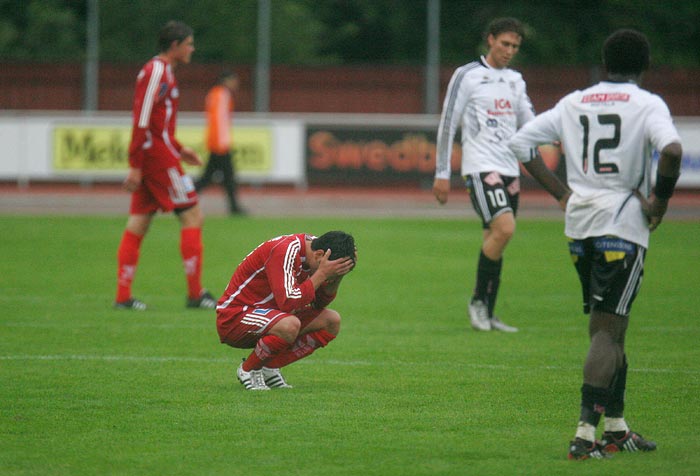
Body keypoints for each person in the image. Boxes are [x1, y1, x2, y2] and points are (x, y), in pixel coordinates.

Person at [508, 29, 683, 460]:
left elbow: (520, 143)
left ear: (604, 64)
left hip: (580, 224)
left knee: (609, 326)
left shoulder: (575, 101)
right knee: (609, 330)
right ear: (644, 66)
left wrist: (562, 193)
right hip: (621, 225)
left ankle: (617, 427)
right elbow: (674, 151)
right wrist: (659, 202)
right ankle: (585, 434)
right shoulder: (647, 103)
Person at [433, 17, 535, 332]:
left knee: (495, 237)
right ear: (490, 40)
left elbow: (528, 119)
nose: (509, 50)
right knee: (504, 229)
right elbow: (448, 122)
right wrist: (442, 172)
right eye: (505, 43)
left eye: (515, 46)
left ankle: (488, 313)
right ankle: (478, 302)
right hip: (480, 166)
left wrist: (551, 132)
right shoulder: (467, 75)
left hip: (509, 168)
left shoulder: (516, 80)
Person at [114, 20, 217, 311]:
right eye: (189, 44)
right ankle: (196, 294)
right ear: (175, 46)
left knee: (139, 222)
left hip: (158, 154)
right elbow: (142, 119)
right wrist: (135, 164)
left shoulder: (163, 72)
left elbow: (159, 124)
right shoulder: (156, 71)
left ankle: (123, 297)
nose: (192, 49)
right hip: (156, 159)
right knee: (193, 215)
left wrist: (181, 149)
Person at [216, 231, 356, 390]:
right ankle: (249, 369)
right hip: (235, 317)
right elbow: (288, 302)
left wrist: (337, 277)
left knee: (331, 321)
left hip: (271, 316)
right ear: (319, 255)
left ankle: (268, 367)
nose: (327, 275)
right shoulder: (285, 250)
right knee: (289, 324)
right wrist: (322, 274)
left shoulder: (319, 251)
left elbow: (319, 303)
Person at [195, 70, 245, 215]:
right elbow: (219, 121)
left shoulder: (215, 93)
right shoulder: (222, 95)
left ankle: (234, 207)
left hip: (216, 142)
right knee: (221, 177)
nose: (236, 83)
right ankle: (234, 207)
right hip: (220, 144)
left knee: (212, 178)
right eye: (234, 80)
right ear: (226, 80)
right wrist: (223, 143)